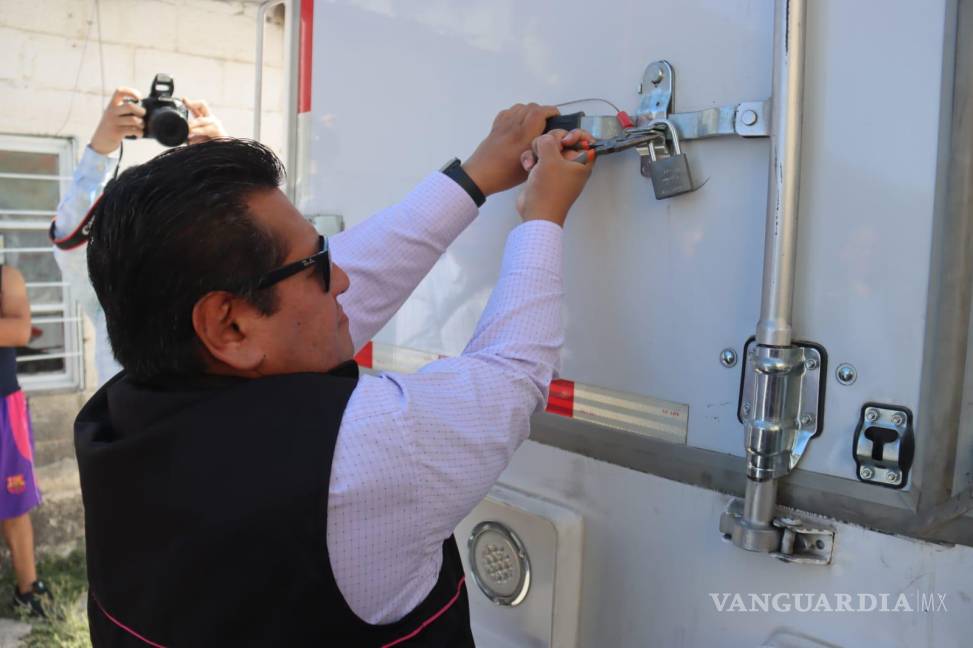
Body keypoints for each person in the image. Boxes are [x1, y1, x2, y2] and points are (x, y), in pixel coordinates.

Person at [75, 104, 595, 645]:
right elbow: (512, 374)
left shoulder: (124, 414)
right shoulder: (360, 451)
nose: (341, 278)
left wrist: (475, 177)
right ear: (227, 325)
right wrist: (543, 217)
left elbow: (334, 289)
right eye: (317, 265)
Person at [52, 87, 227, 386]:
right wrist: (101, 150)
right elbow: (71, 237)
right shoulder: (112, 294)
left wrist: (225, 157)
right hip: (132, 428)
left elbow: (267, 232)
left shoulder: (226, 277)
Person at [0, 265, 49, 617]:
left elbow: (19, 330)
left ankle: (27, 592)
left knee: (15, 506)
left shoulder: (6, 276)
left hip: (4, 407)